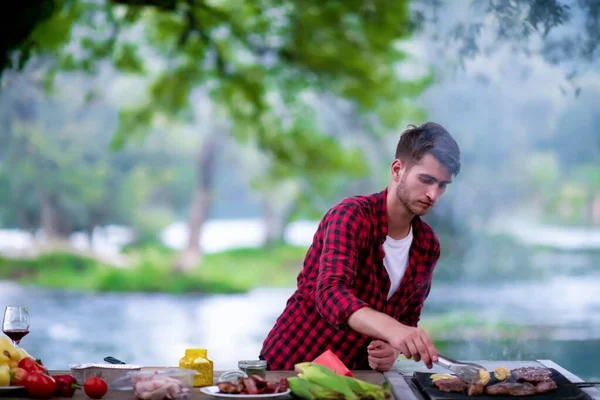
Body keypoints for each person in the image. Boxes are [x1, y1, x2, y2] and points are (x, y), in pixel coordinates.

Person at [259, 122, 461, 372]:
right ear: (398, 170)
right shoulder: (351, 216)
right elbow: (330, 293)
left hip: (358, 378)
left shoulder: (427, 244)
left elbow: (407, 318)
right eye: (426, 180)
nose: (433, 194)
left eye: (442, 185)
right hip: (290, 368)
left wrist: (393, 348)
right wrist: (393, 329)